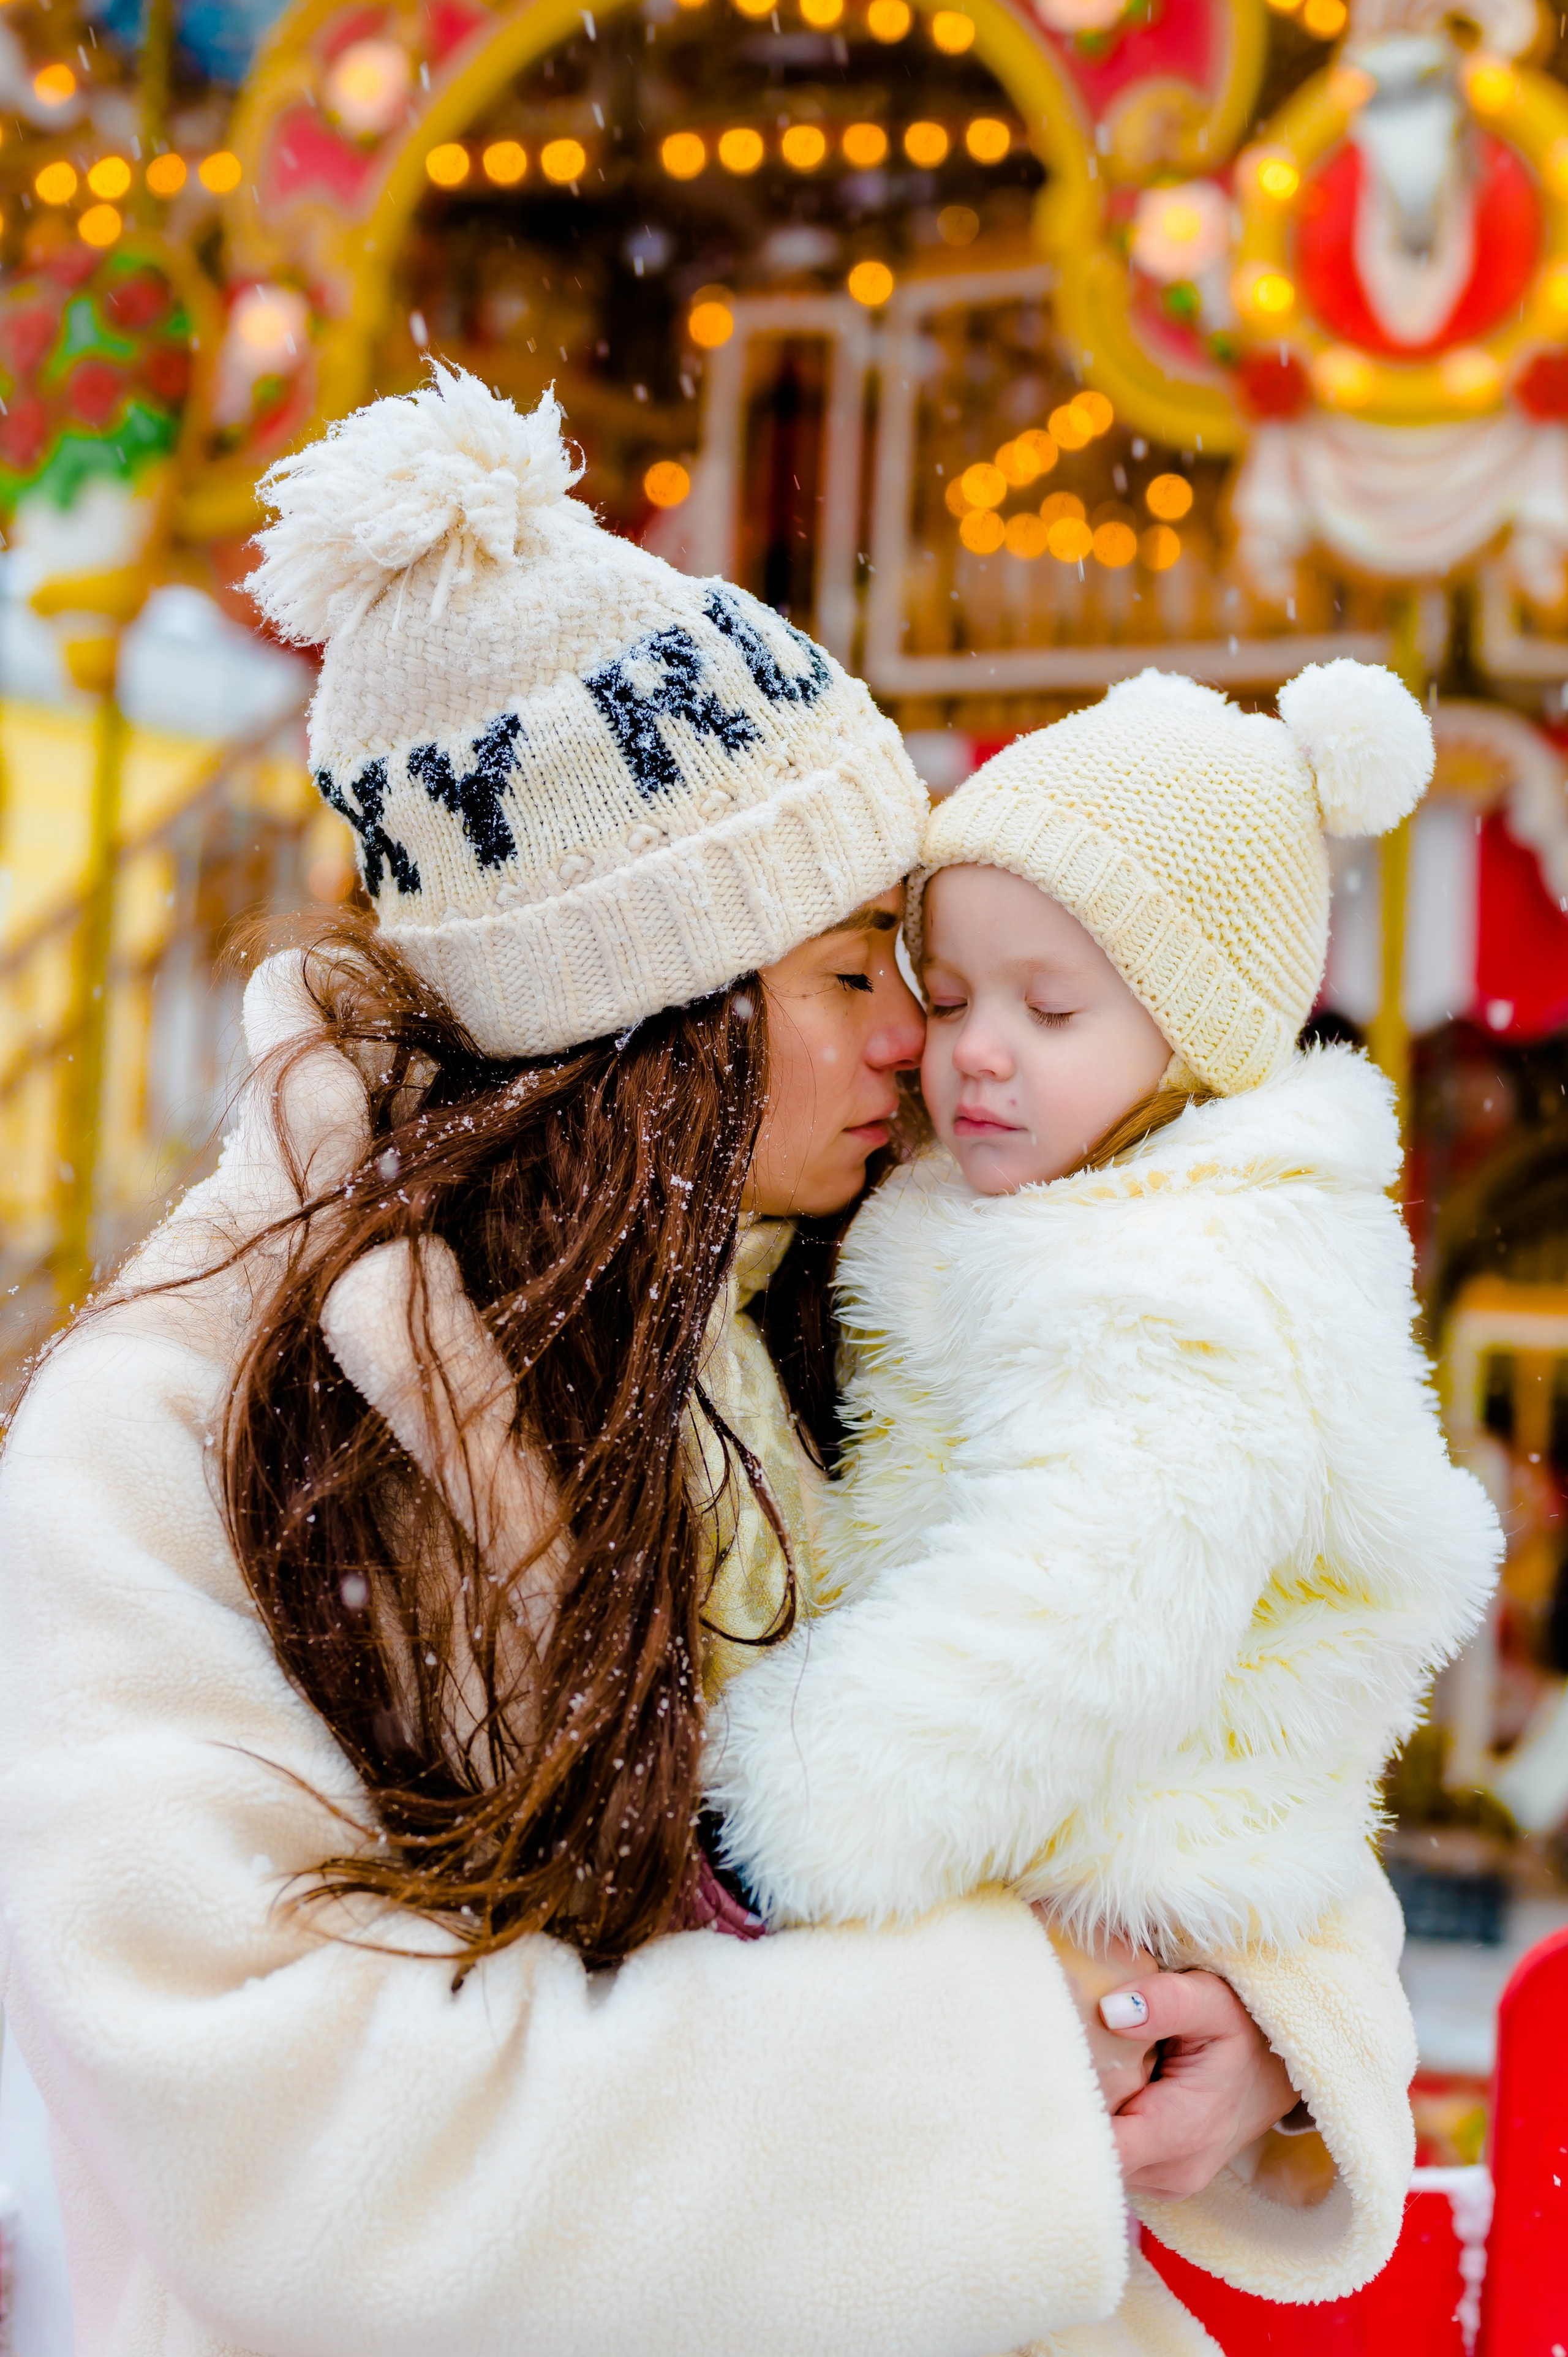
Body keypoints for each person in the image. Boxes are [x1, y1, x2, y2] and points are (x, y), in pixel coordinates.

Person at [0, 372, 1417, 2357]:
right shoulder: (171, 1432)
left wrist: (1259, 2000)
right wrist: (1017, 2046)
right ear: (649, 1010)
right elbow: (303, 2139)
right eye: (854, 971)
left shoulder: (842, 1291)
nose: (923, 1038)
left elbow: (1199, 1692)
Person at [708, 668, 1502, 2144]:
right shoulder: (1045, 1206)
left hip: (1096, 1869)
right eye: (948, 998)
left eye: (1050, 1006)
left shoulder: (1182, 1281)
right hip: (1027, 1863)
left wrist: (773, 1823)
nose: (971, 1050)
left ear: (1193, 1036)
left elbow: (1068, 1618)